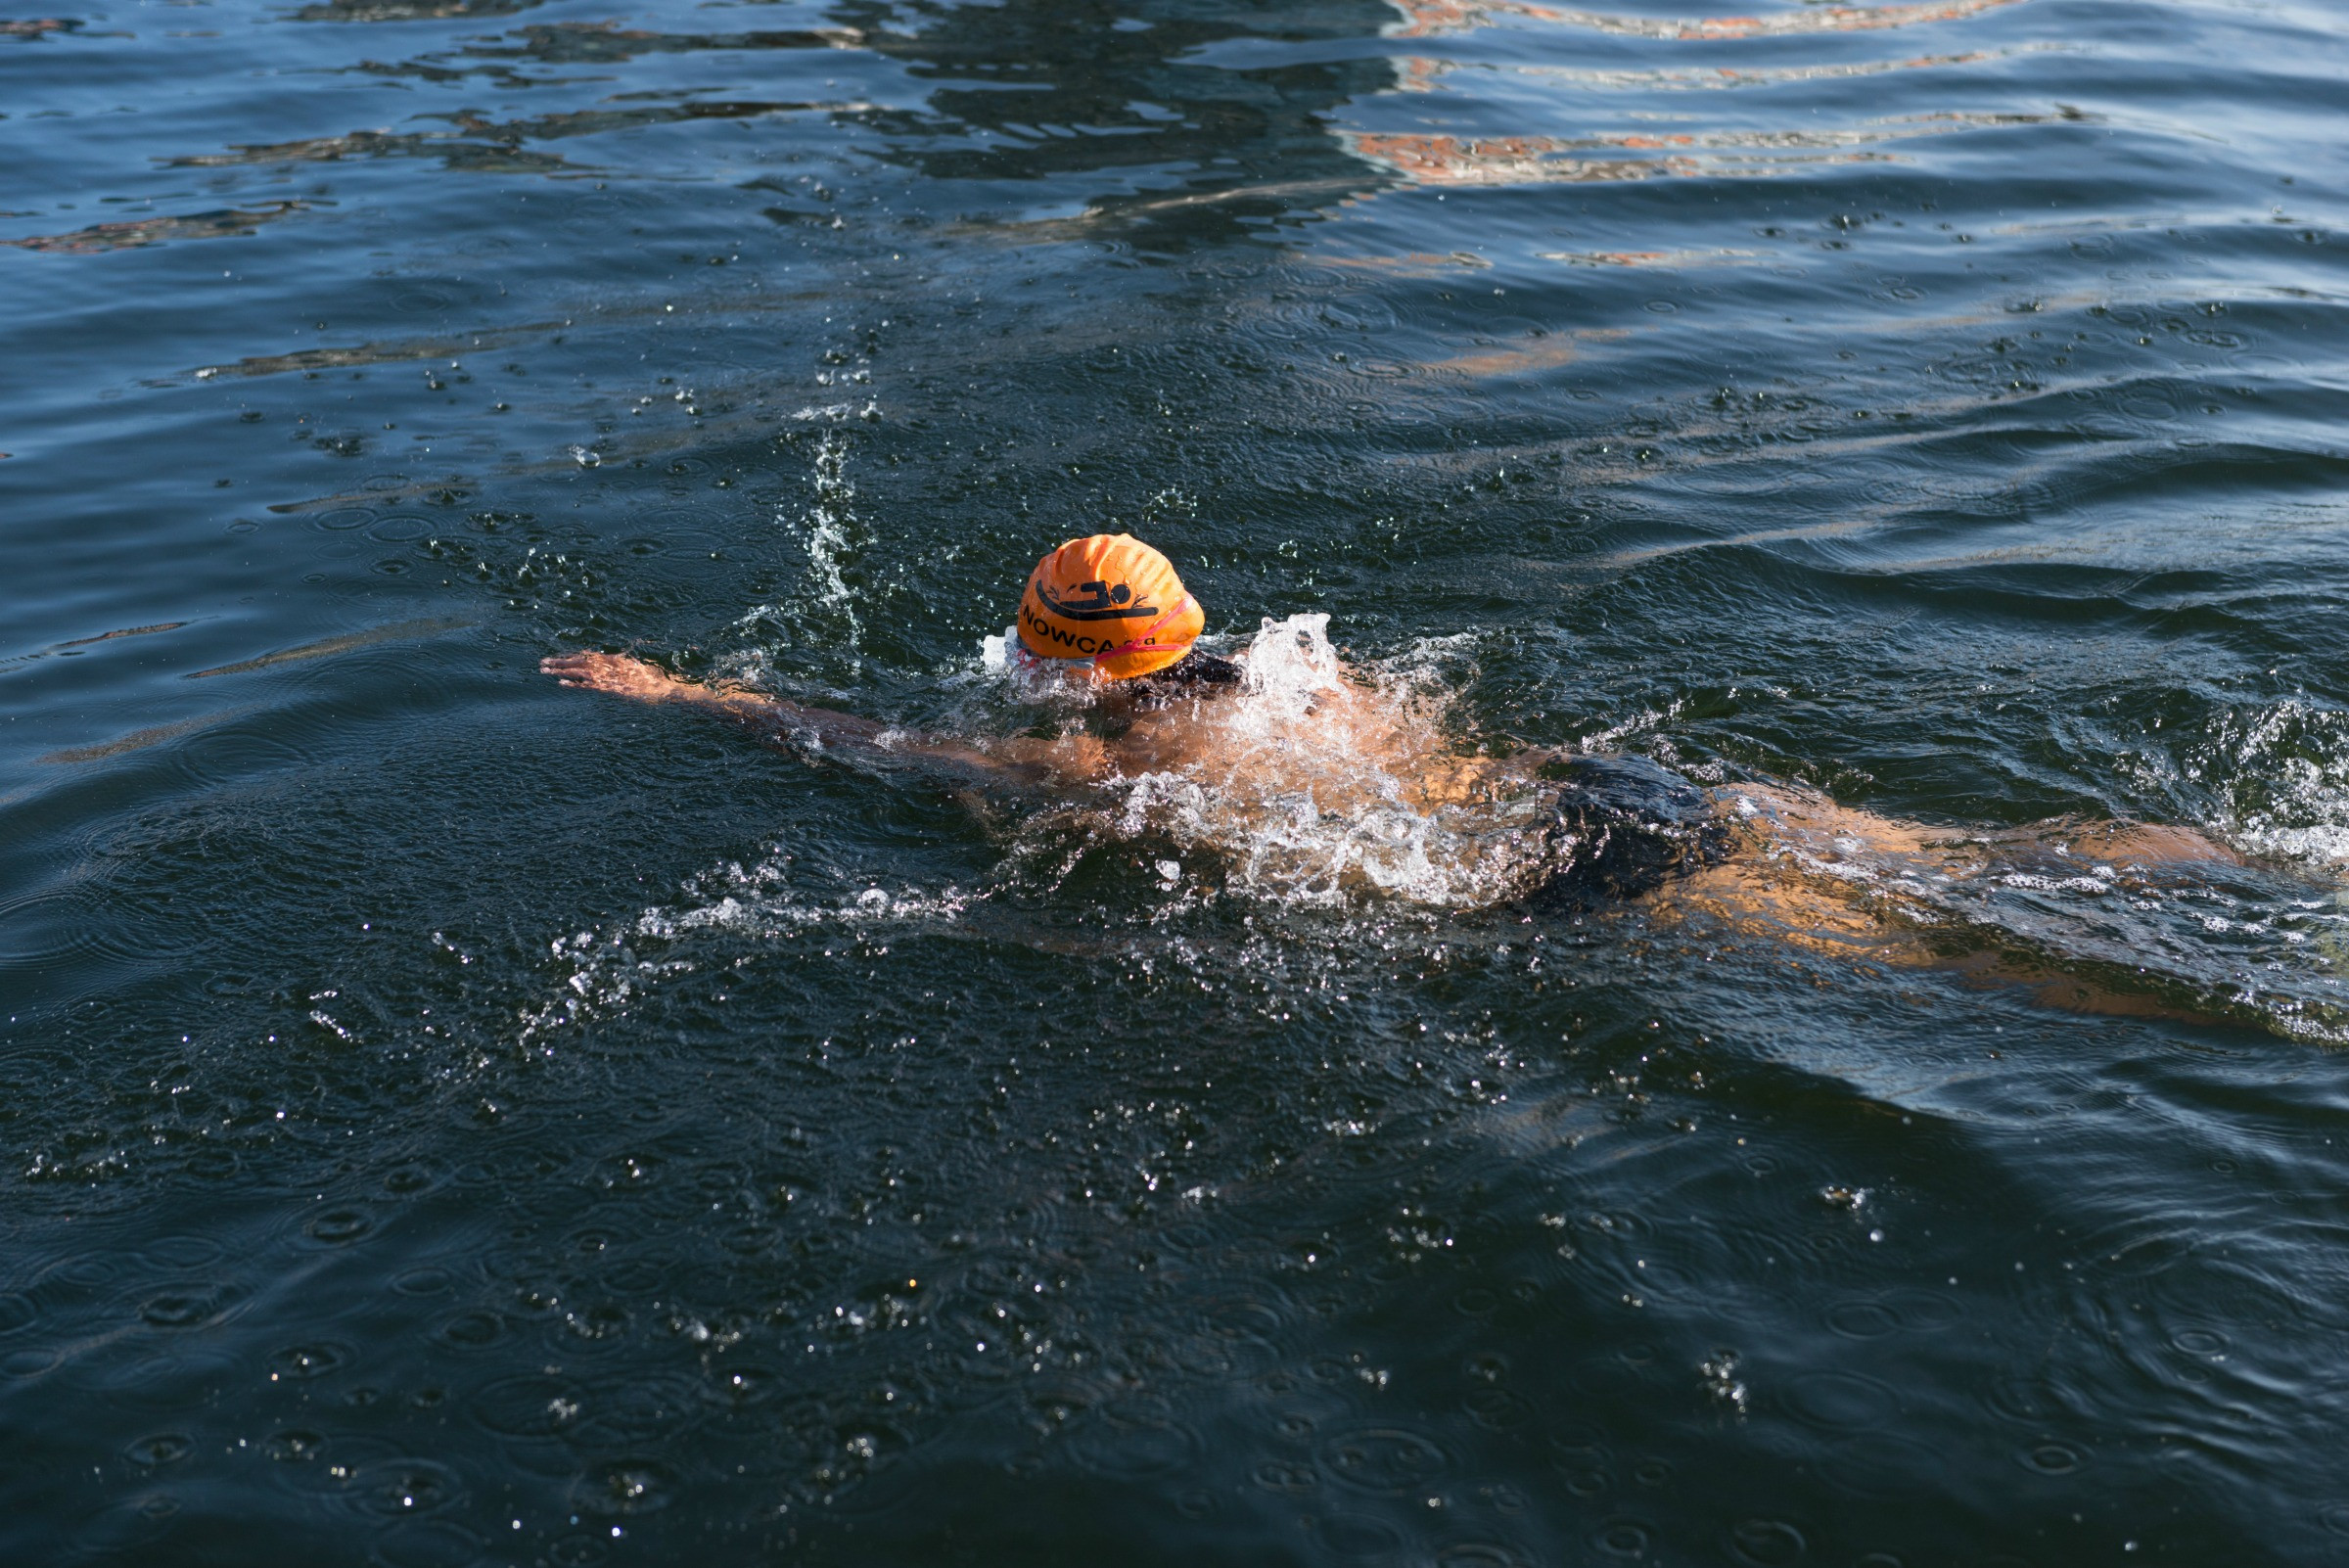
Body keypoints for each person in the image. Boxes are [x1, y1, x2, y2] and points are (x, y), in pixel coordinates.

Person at [543, 534, 2272, 1027]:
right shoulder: (1298, 670)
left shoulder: (1111, 765)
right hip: (1606, 774)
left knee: (1924, 947)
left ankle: (2245, 1009)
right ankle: (2282, 860)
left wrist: (688, 689)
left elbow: (872, 742)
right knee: (1966, 848)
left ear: (1069, 667)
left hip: (1555, 851)